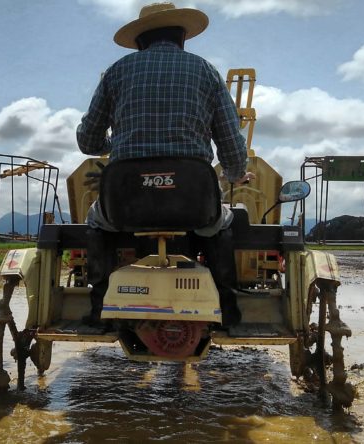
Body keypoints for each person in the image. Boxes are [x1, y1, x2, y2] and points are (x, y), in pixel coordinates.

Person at [76, 2, 253, 327]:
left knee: (96, 221)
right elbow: (231, 143)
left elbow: (88, 142)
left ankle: (100, 308)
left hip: (126, 206)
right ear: (182, 38)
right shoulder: (206, 71)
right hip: (192, 204)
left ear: (140, 41)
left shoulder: (116, 72)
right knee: (223, 222)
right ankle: (227, 309)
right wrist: (236, 174)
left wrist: (113, 144)